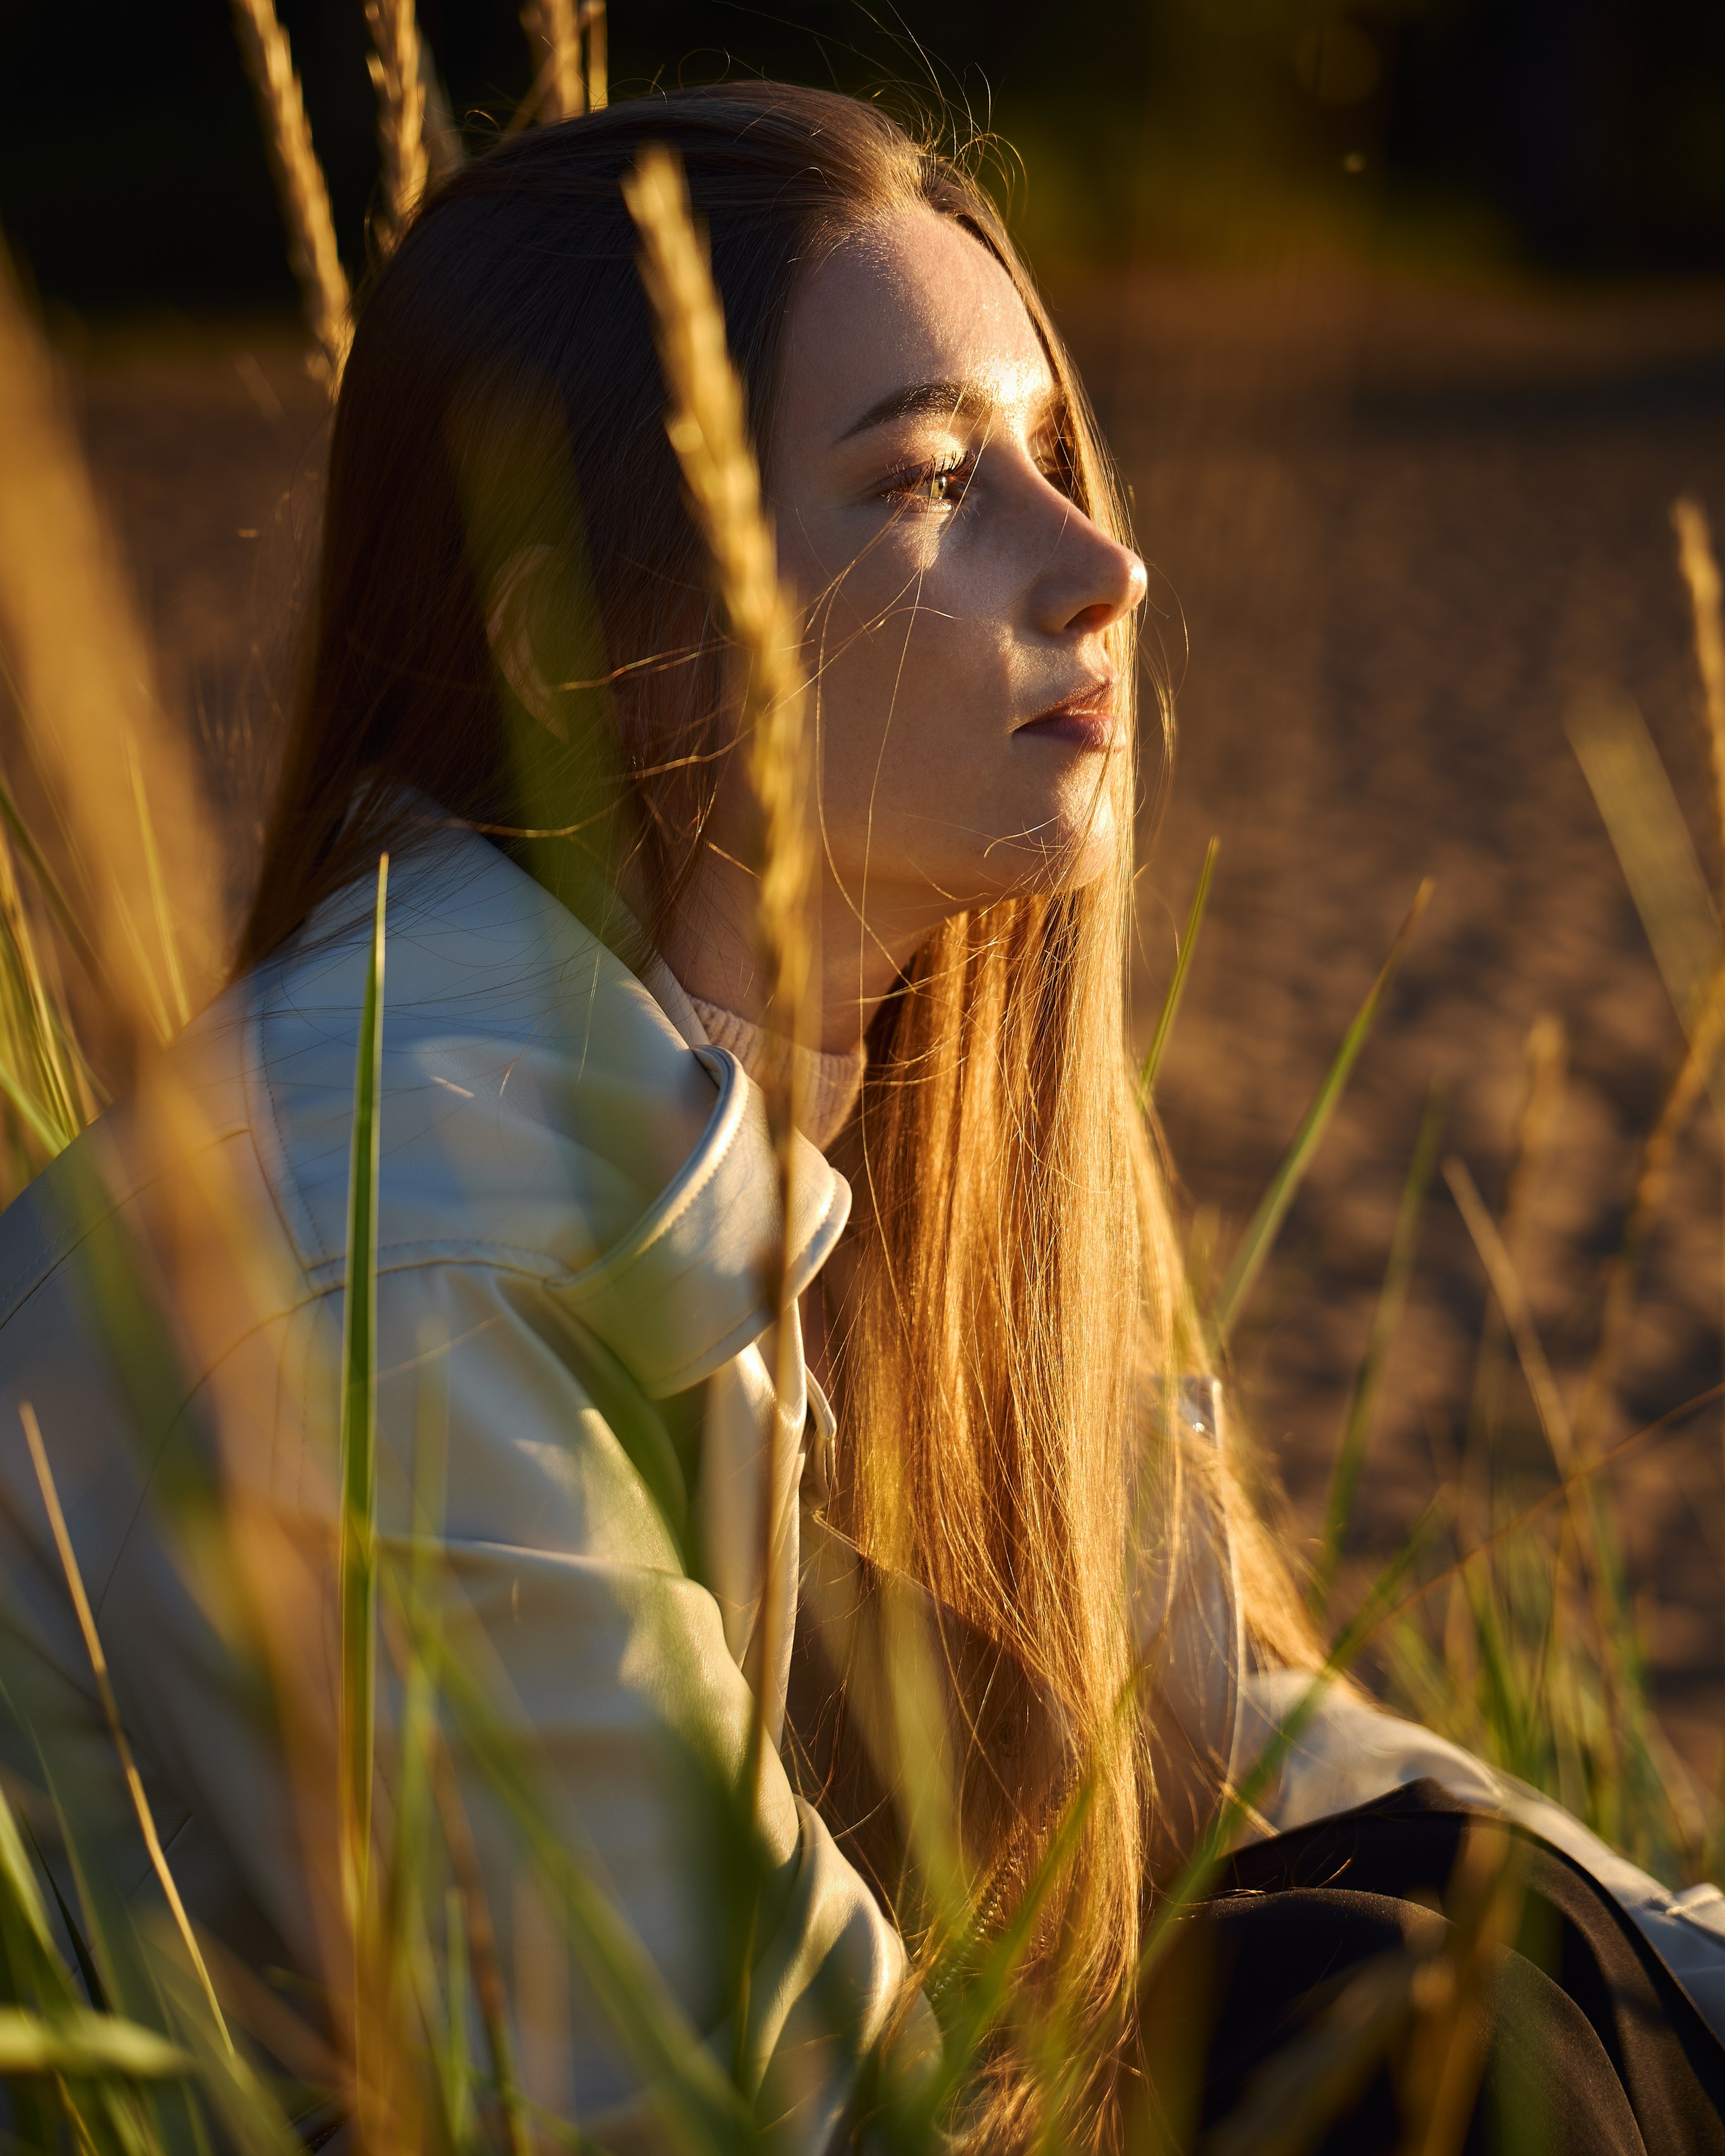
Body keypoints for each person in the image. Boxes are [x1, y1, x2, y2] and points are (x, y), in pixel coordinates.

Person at [0, 80, 1721, 2154]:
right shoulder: (389, 1243)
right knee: (1399, 2038)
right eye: (927, 477)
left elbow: (1216, 1740)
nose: (1106, 562)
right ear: (613, 631)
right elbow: (731, 2107)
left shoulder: (830, 1138)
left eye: (1054, 456)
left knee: (1459, 1931)